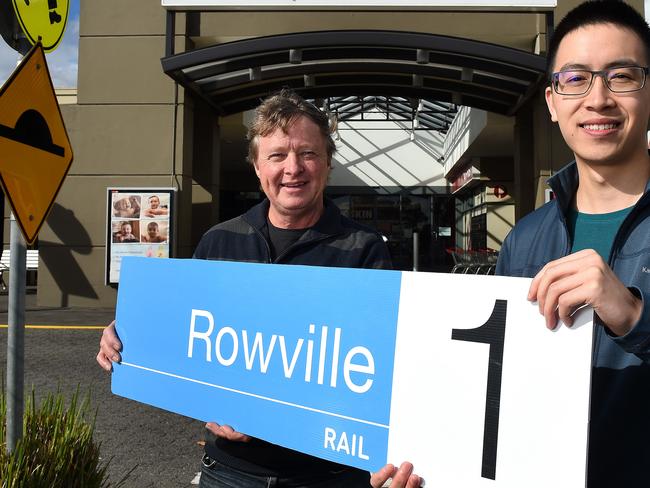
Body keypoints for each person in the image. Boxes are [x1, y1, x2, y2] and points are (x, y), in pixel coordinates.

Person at [97, 90, 421, 488]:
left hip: (326, 475)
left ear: (328, 164)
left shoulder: (364, 249)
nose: (293, 168)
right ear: (256, 166)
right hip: (230, 469)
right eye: (277, 155)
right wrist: (129, 334)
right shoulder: (220, 241)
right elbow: (187, 337)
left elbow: (385, 365)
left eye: (308, 153)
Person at [496, 2, 650, 487]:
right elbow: (495, 386)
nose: (598, 99)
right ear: (551, 100)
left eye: (621, 76)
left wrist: (633, 317)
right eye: (576, 79)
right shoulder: (524, 239)